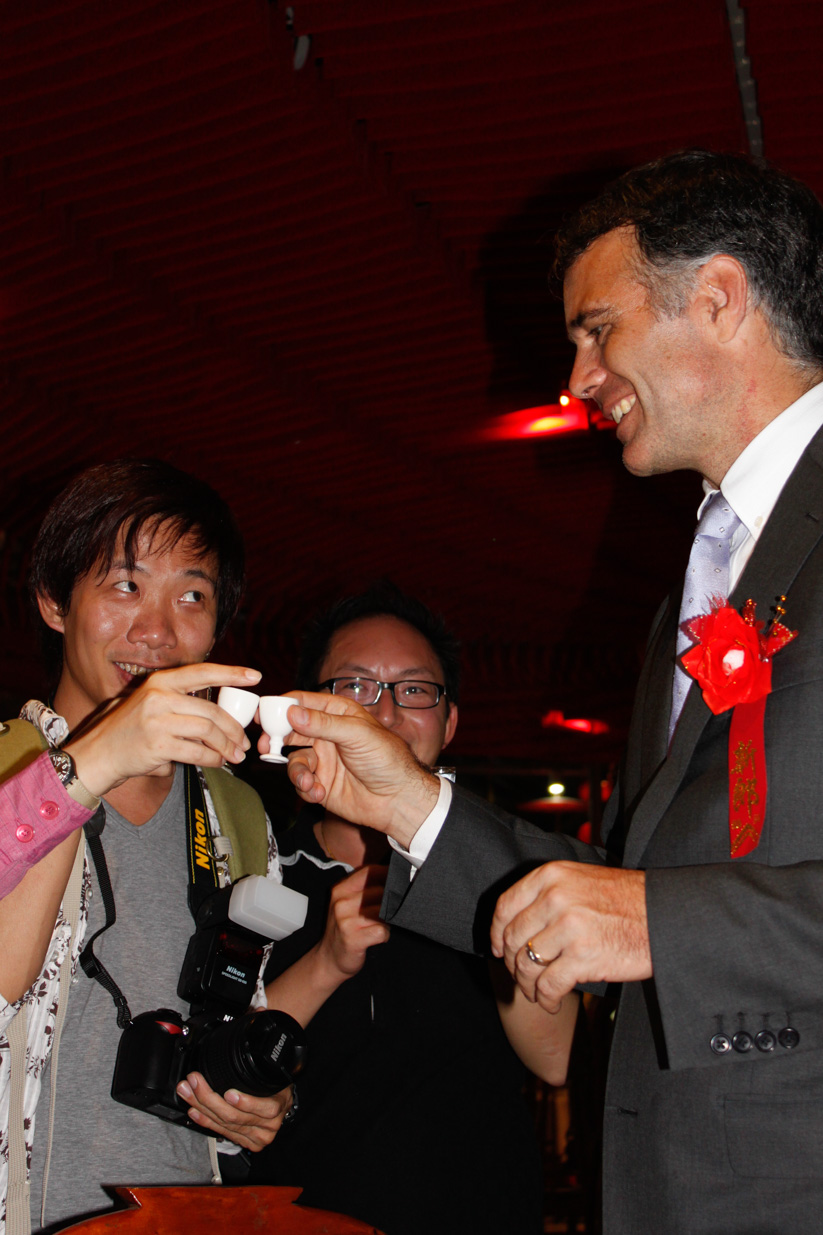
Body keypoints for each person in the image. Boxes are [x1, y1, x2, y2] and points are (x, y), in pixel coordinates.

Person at [272, 150, 823, 1234]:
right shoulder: (695, 588)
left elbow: (639, 913)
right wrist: (407, 803)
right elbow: (609, 891)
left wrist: (657, 922)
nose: (578, 378)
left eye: (597, 329)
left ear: (718, 297)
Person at [0, 459, 294, 1233]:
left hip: (183, 1214)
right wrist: (92, 763)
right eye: (126, 585)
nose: (158, 632)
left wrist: (256, 1100)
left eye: (191, 596)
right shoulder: (6, 767)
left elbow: (236, 1013)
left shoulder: (236, 812)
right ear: (53, 600)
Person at [248, 584, 574, 1235]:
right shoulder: (257, 860)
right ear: (305, 711)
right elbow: (225, 1065)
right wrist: (326, 960)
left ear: (449, 723)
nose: (386, 711)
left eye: (415, 689)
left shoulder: (502, 866)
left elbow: (555, 1058)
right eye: (356, 685)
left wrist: (472, 885)